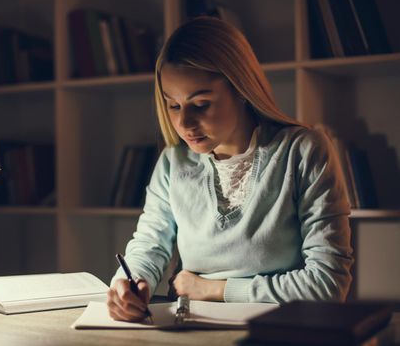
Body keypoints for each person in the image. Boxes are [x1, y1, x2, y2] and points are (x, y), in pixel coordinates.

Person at [107, 16, 353, 322]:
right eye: (173, 105)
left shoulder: (303, 151)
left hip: (282, 331)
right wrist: (131, 283)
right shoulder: (173, 163)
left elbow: (327, 286)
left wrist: (213, 288)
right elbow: (150, 243)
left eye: (201, 104)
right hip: (191, 329)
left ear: (242, 89)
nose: (183, 124)